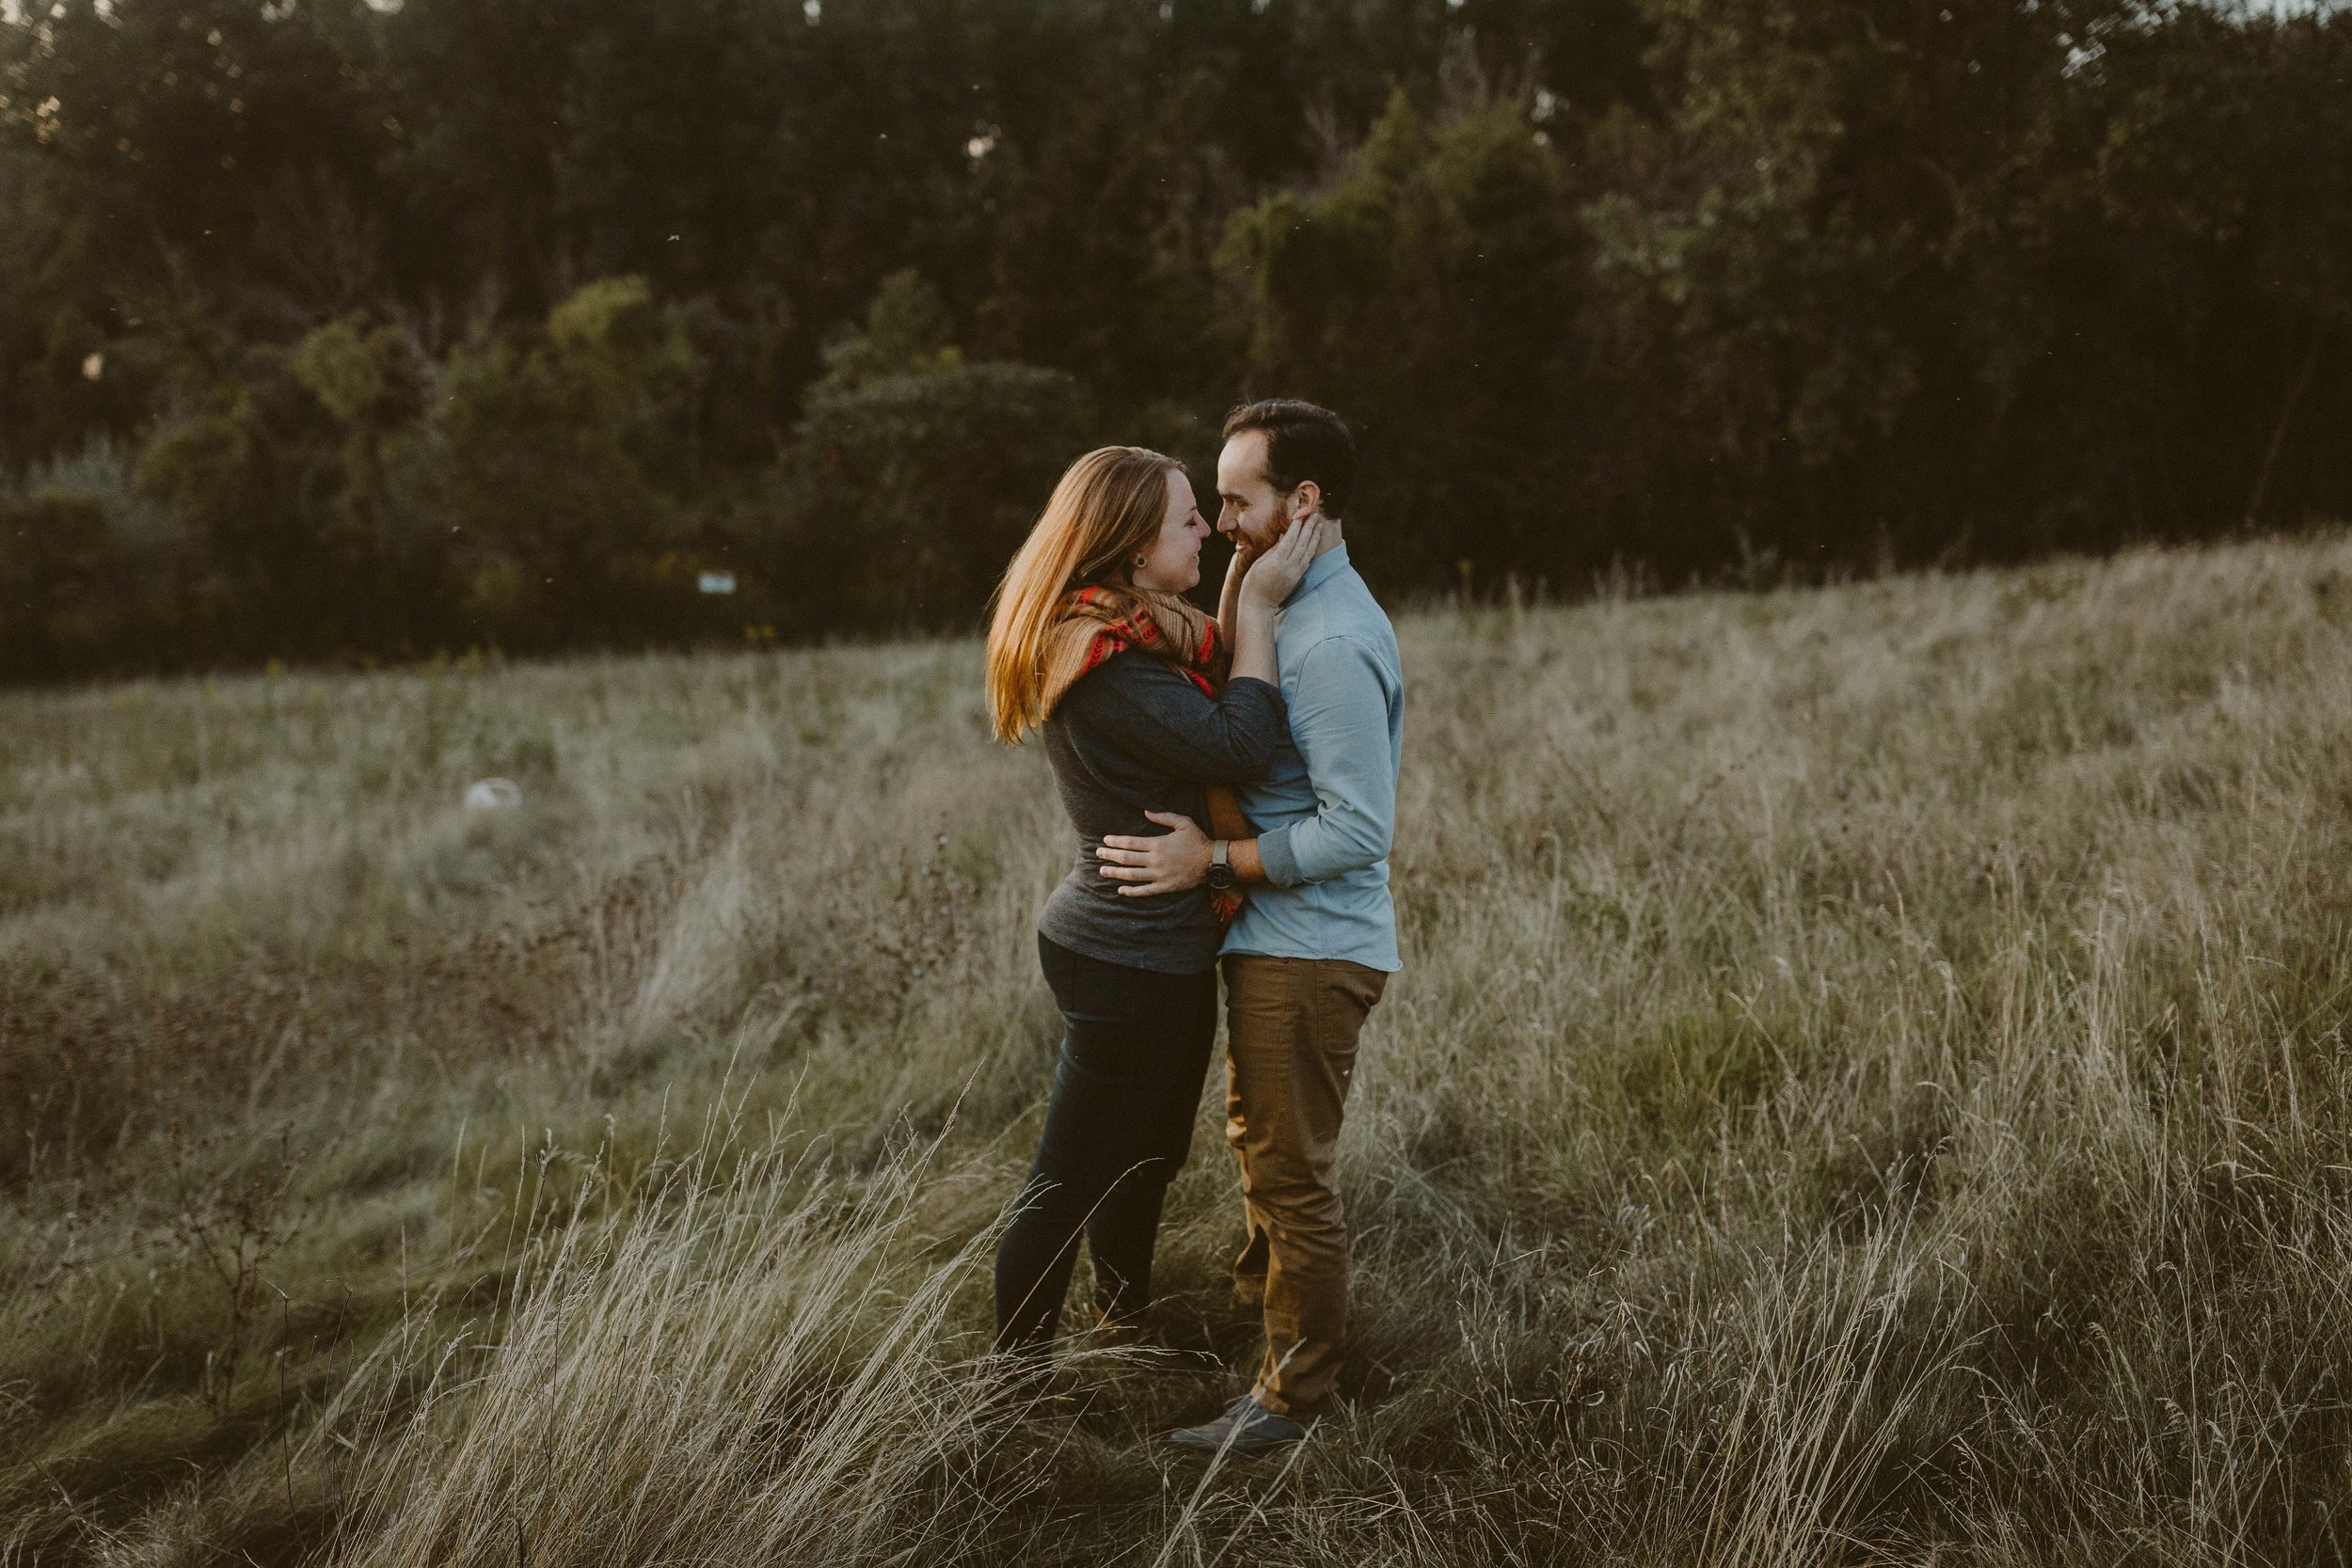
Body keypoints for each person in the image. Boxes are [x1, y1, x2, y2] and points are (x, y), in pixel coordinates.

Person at [1092, 401, 1404, 1453]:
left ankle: (1290, 1398)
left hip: (1310, 945)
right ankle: (1268, 1332)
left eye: (1238, 500)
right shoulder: (1285, 603)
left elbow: (1358, 828)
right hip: (1275, 939)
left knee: (1287, 1173)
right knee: (1260, 1148)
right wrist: (1245, 583)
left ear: (1302, 501)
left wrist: (1208, 860)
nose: (1221, 520)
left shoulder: (1330, 641)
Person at [983, 444, 1331, 1369]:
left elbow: (1218, 672)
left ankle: (1121, 1322)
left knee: (1148, 1155)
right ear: (1134, 547)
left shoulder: (1144, 629)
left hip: (1161, 949)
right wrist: (1256, 604)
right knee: (1067, 1178)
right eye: (1186, 518)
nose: (1206, 531)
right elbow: (1241, 739)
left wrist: (1239, 604)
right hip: (1121, 956)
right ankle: (1009, 1389)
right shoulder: (1103, 663)